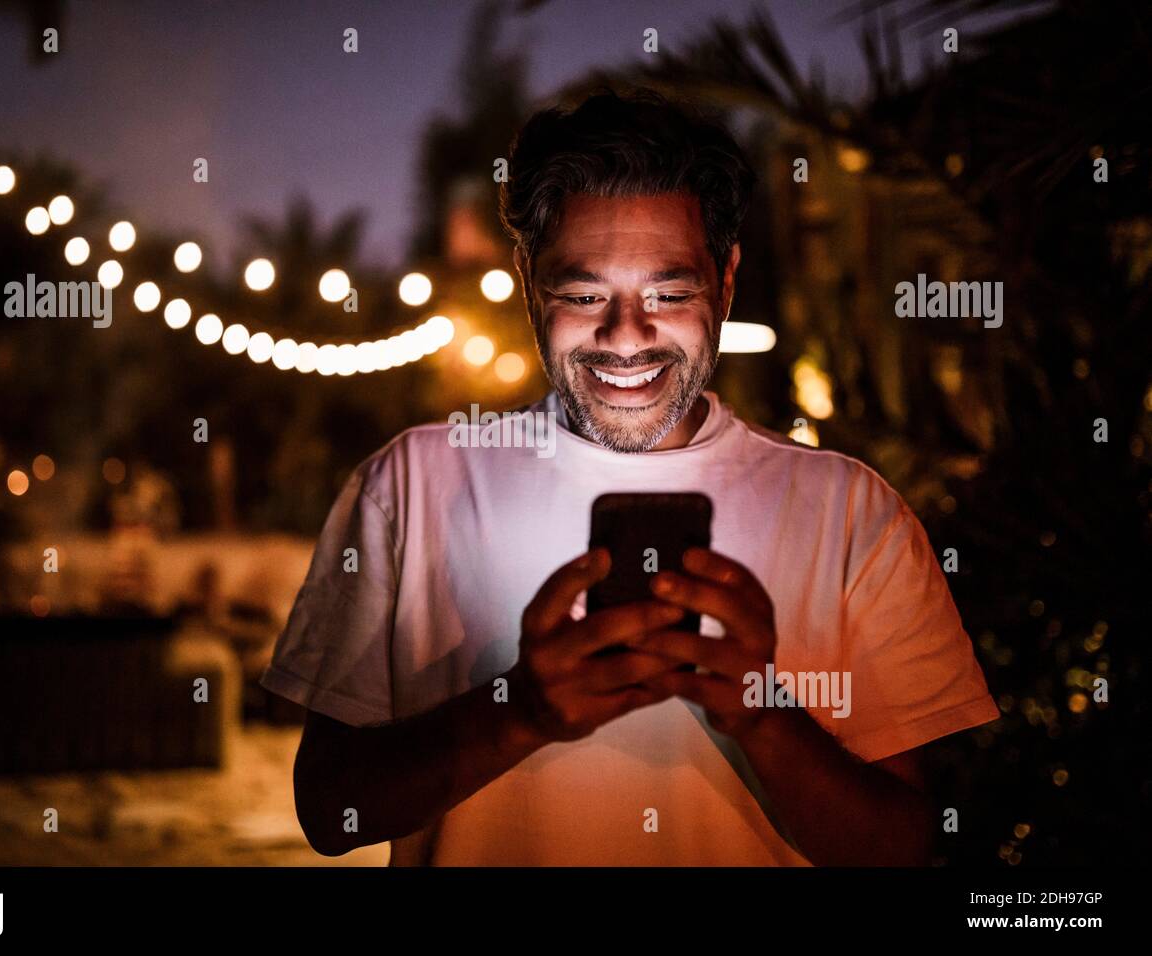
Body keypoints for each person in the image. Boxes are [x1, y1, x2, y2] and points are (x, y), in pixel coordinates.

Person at [260, 90, 998, 866]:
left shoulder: (853, 512)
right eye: (583, 295)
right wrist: (520, 713)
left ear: (728, 280)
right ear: (526, 280)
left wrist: (761, 715)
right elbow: (331, 812)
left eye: (670, 294)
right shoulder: (408, 485)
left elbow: (907, 853)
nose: (625, 335)